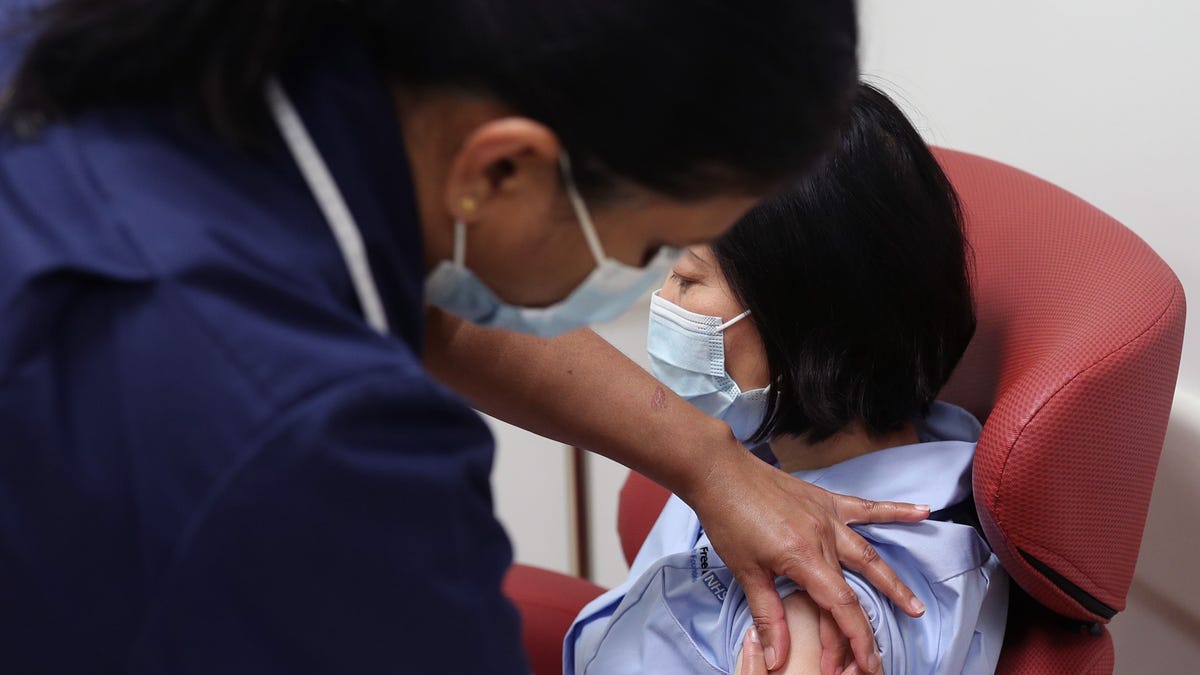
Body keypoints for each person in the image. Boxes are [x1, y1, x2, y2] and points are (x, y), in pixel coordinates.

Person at [0, 2, 927, 672]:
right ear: (504, 167)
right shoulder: (316, 441)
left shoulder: (95, 41)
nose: (649, 292)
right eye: (652, 250)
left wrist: (709, 459)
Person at [566, 84, 1009, 674]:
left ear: (807, 322)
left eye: (686, 279)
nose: (662, 302)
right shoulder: (784, 449)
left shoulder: (817, 617)